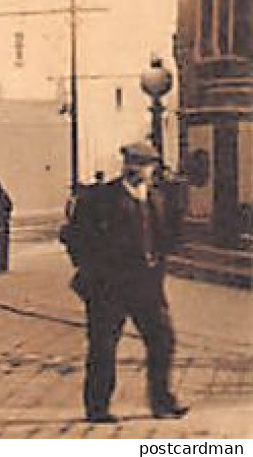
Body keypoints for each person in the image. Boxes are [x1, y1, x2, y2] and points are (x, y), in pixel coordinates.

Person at [62, 140, 188, 424]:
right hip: (108, 288)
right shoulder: (99, 198)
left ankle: (162, 401)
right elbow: (74, 237)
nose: (138, 170)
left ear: (153, 168)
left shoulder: (158, 198)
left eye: (144, 165)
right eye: (132, 163)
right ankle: (97, 407)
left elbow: (168, 236)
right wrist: (92, 272)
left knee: (163, 341)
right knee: (103, 347)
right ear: (124, 165)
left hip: (147, 287)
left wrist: (160, 259)